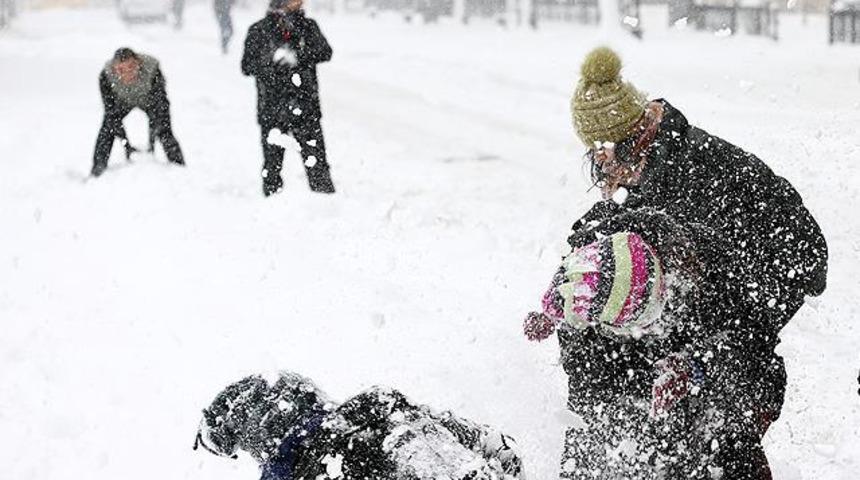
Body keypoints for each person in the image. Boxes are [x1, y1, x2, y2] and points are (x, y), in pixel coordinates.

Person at [538, 46, 828, 479]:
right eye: (592, 156)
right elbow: (613, 239)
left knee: (711, 435)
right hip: (696, 312)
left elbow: (802, 263)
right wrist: (567, 294)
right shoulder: (650, 170)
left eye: (602, 155)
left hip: (749, 309)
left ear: (634, 137)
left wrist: (703, 355)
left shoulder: (702, 175)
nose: (600, 169)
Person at [194, 372, 525, 479]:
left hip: (356, 445)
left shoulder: (289, 458)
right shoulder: (301, 394)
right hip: (385, 421)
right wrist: (492, 444)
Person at [241, 0, 335, 196]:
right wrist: (271, 61)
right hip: (272, 109)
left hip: (305, 107)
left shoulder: (308, 27)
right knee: (272, 168)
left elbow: (325, 52)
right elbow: (247, 66)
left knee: (317, 165)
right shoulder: (259, 30)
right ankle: (272, 208)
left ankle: (327, 207)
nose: (300, 4)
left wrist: (298, 56)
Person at [91, 48, 185, 177]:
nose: (127, 73)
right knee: (107, 128)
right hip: (122, 101)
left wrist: (152, 142)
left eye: (131, 67)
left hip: (149, 99)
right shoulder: (106, 76)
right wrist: (126, 145)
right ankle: (97, 170)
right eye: (121, 70)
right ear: (114, 69)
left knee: (164, 129)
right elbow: (111, 113)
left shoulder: (152, 70)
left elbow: (161, 105)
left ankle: (179, 167)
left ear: (139, 63)